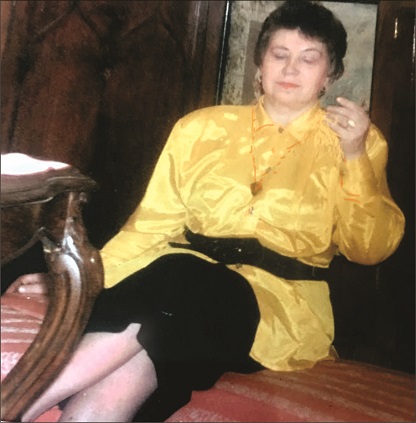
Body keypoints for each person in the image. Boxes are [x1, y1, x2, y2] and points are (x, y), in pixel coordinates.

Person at [17, 1, 404, 421]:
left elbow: (371, 248)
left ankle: (15, 402)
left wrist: (354, 157)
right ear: (260, 64)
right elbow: (150, 226)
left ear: (330, 74)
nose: (290, 69)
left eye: (309, 59)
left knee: (185, 281)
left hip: (272, 307)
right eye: (279, 54)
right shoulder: (200, 128)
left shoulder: (357, 143)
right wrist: (80, 279)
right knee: (136, 361)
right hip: (173, 289)